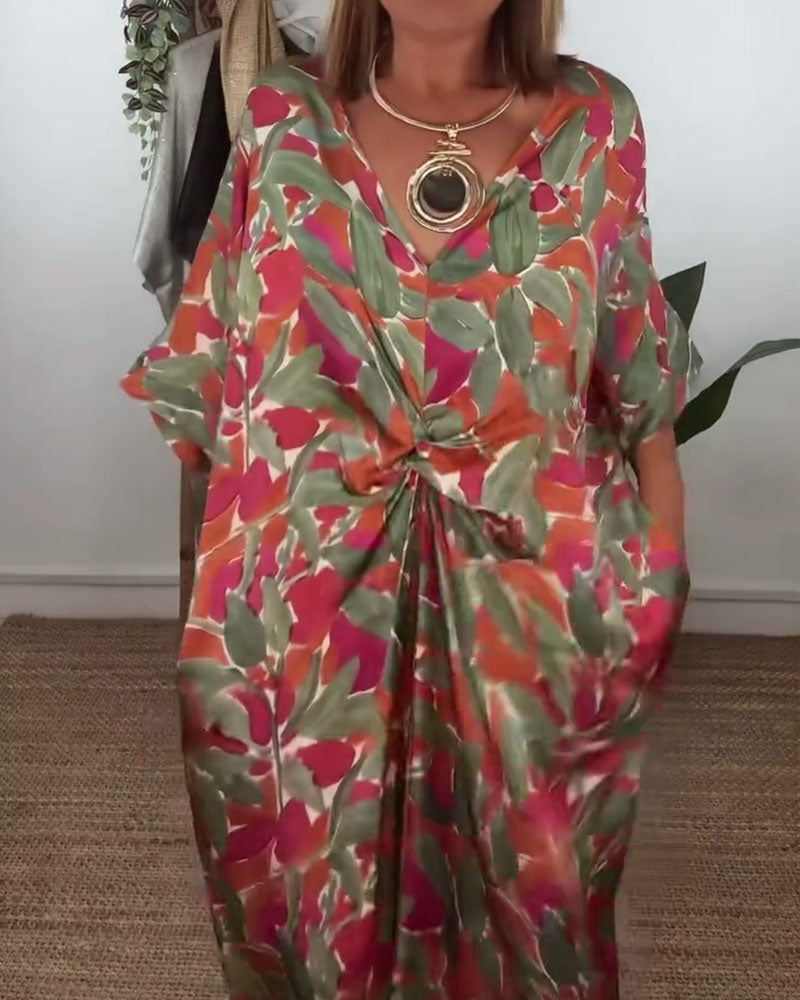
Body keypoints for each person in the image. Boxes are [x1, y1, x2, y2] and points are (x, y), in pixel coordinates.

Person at [119, 0, 692, 996]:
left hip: (533, 618)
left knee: (536, 907)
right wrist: (225, 613)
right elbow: (219, 376)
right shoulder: (282, 121)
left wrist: (658, 573)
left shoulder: (595, 121)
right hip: (313, 627)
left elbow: (634, 364)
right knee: (321, 908)